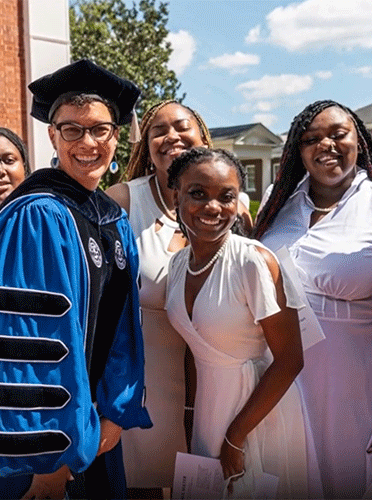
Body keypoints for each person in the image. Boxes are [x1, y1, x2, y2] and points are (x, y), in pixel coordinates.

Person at [0, 59, 152, 500]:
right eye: (72, 130)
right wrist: (50, 460)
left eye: (100, 129)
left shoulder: (112, 218)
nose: (88, 142)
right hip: (40, 449)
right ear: (52, 136)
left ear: (116, 136)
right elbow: (26, 343)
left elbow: (124, 326)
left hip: (95, 426)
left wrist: (115, 413)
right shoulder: (37, 214)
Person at [252, 100, 372, 498]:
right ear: (298, 150)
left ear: (359, 142)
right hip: (277, 378)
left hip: (353, 382)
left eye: (337, 134)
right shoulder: (280, 201)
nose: (325, 145)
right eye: (311, 139)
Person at [166, 147, 320, 498]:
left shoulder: (252, 262)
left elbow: (290, 359)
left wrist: (236, 435)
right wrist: (190, 415)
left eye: (226, 196)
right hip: (208, 408)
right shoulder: (177, 266)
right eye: (198, 194)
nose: (213, 207)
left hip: (257, 412)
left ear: (239, 203)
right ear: (177, 196)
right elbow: (193, 348)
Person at [103, 100, 214, 493]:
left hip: (213, 379)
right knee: (142, 484)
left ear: (202, 136)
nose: (171, 137)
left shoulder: (223, 204)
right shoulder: (124, 201)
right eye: (158, 130)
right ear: (145, 146)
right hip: (144, 379)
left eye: (182, 127)